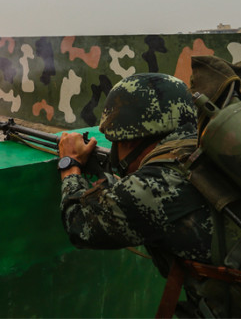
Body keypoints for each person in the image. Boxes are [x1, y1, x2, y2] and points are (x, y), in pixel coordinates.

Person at [56, 73, 216, 316]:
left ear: (132, 139)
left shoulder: (156, 186)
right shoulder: (205, 149)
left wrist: (70, 164)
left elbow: (79, 224)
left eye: (116, 140)